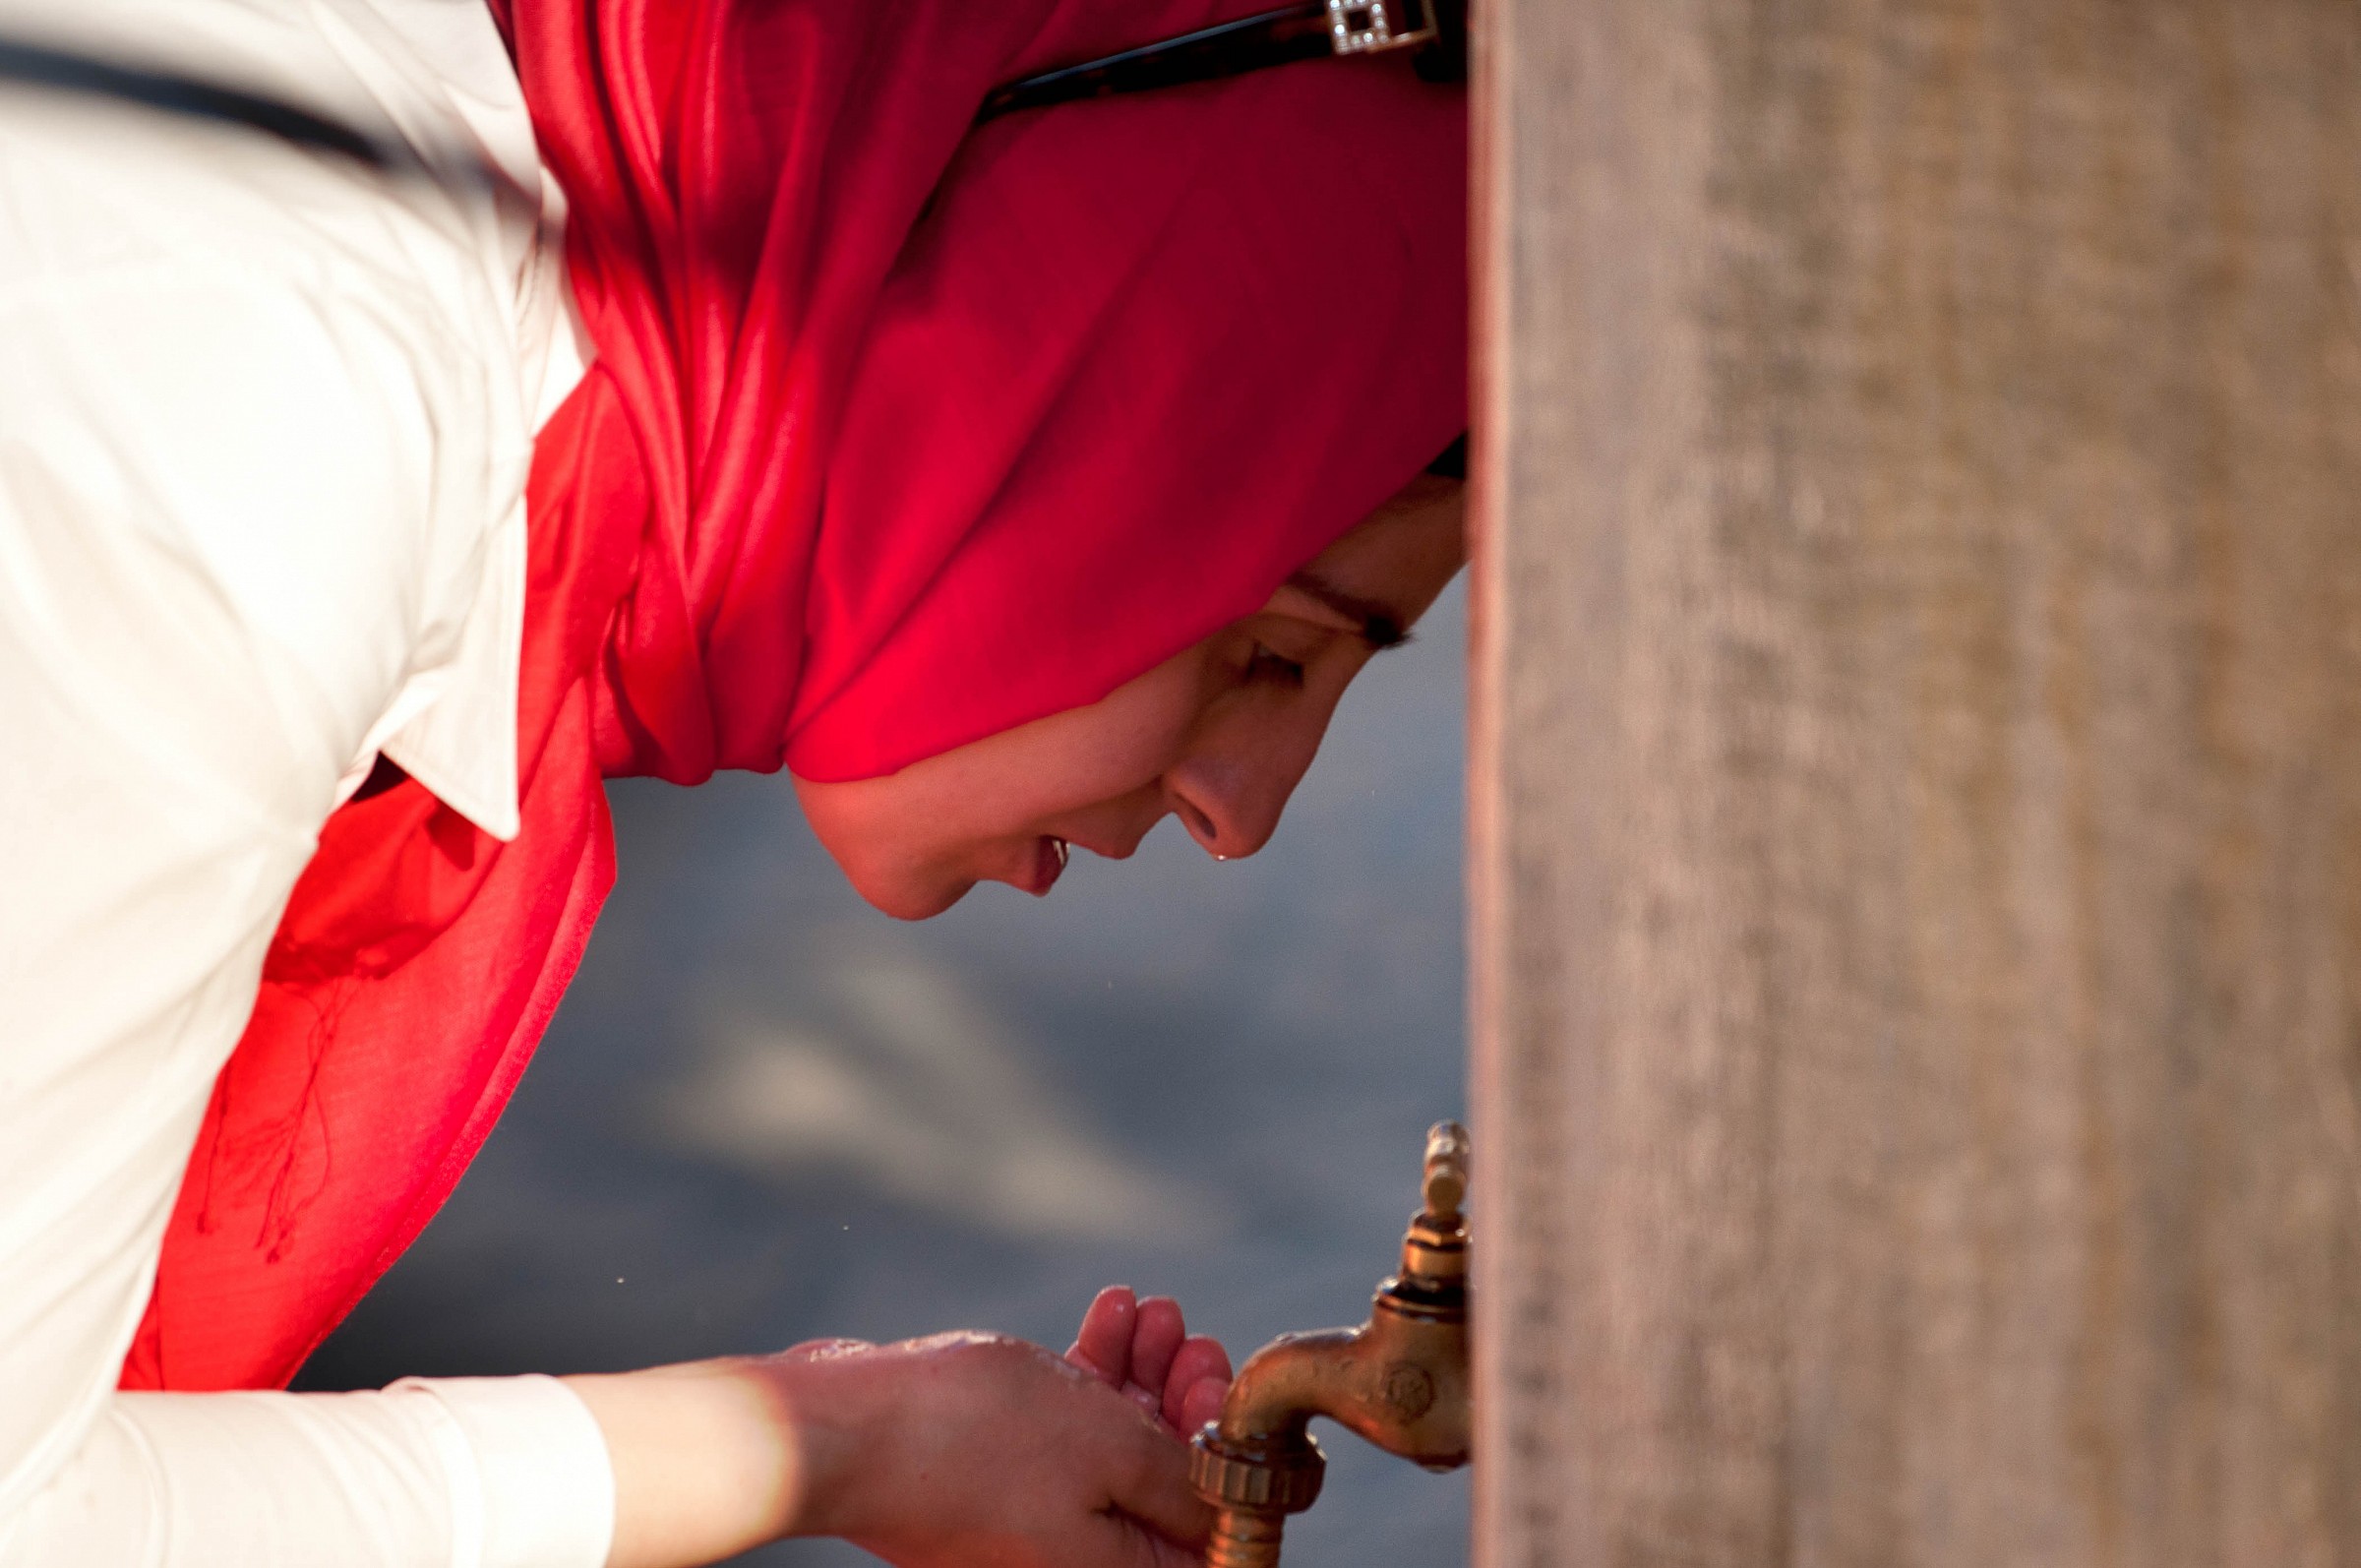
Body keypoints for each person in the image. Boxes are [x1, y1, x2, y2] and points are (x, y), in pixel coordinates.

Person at [0, 0, 1466, 1562]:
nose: (1244, 810)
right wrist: (823, 1448)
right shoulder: (281, 394)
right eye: (1271, 651)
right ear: (1049, 352)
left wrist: (864, 1430)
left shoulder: (395, 299)